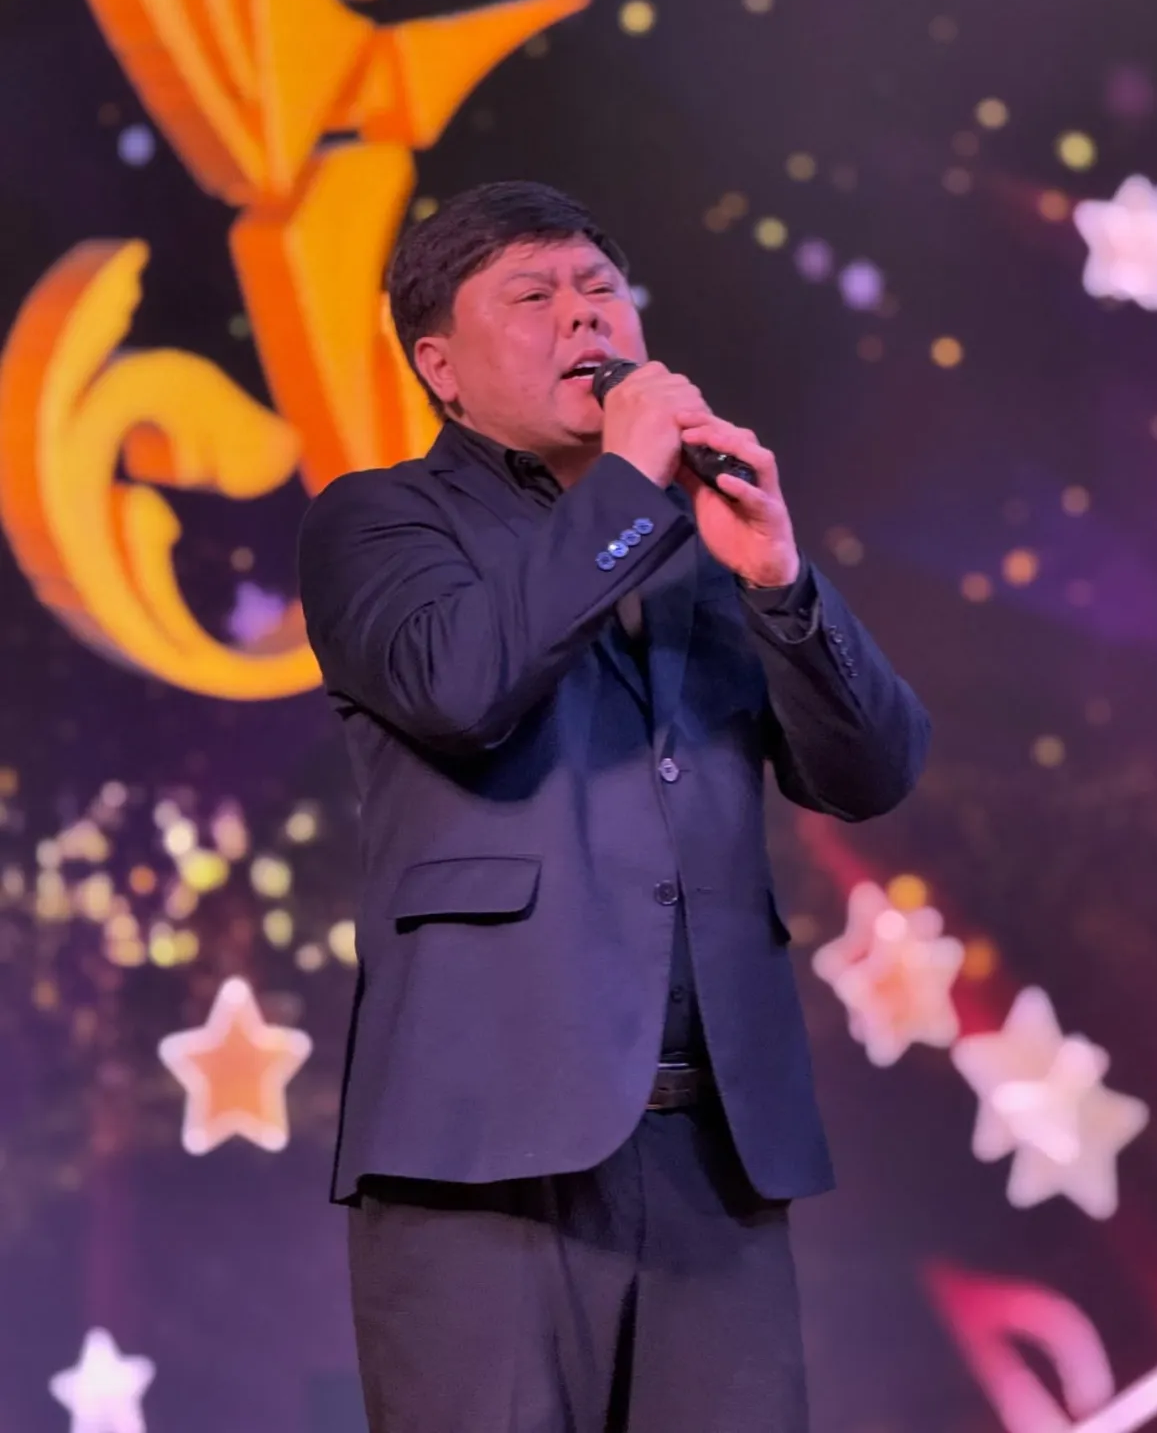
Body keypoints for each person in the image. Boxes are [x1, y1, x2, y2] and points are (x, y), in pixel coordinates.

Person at [297, 180, 931, 1433]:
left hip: (715, 1153)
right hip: (486, 1152)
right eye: (531, 297)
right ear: (440, 368)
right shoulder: (378, 520)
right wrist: (633, 487)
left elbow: (868, 773)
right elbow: (461, 686)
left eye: (598, 290)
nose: (583, 317)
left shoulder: (703, 536)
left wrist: (778, 580)